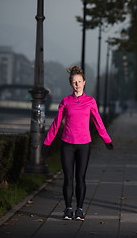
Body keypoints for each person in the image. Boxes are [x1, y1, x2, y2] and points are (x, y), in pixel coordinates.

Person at [43, 65, 113, 221]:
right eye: (74, 82)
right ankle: (68, 209)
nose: (77, 84)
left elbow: (98, 122)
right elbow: (56, 123)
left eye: (79, 81)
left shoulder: (90, 101)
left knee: (80, 178)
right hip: (67, 144)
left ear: (84, 82)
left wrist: (107, 140)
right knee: (68, 178)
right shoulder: (65, 101)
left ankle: (79, 210)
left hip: (84, 145)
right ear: (70, 84)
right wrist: (47, 142)